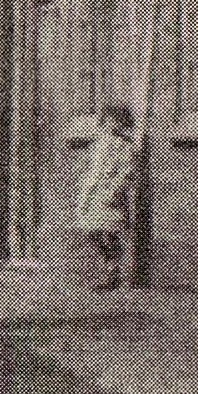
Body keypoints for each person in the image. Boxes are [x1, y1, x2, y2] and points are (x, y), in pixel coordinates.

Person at [73, 105, 137, 291]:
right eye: (108, 120)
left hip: (110, 198)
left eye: (114, 120)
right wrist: (85, 193)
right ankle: (109, 266)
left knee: (109, 233)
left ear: (120, 123)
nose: (110, 124)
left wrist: (112, 193)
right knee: (90, 231)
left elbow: (127, 173)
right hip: (94, 194)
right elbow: (92, 170)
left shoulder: (126, 146)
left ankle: (112, 274)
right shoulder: (100, 143)